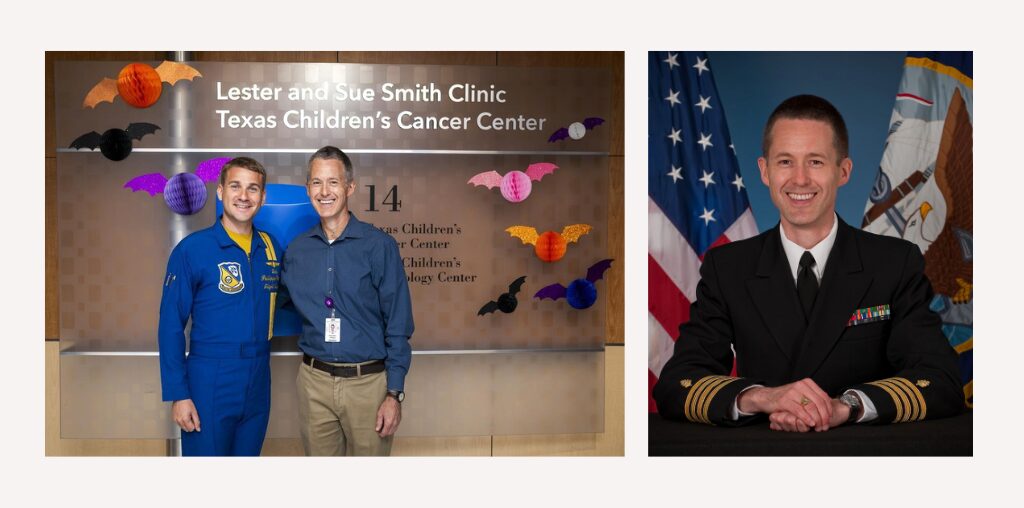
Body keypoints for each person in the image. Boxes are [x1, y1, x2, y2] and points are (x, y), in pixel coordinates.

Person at [653, 95, 964, 432]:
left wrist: (847, 406)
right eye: (785, 161)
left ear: (843, 171)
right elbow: (677, 384)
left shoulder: (893, 263)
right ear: (765, 171)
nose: (799, 179)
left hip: (861, 457)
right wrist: (762, 398)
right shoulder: (728, 268)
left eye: (815, 162)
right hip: (761, 457)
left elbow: (940, 380)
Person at [279, 146, 413, 455]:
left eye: (333, 182)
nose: (324, 192)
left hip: (368, 386)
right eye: (316, 182)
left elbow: (398, 322)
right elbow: (276, 302)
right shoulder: (297, 251)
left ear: (350, 187)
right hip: (314, 383)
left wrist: (394, 393)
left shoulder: (379, 246)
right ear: (307, 188)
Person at [158, 157, 282, 455]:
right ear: (220, 191)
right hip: (210, 376)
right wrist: (179, 394)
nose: (244, 196)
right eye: (235, 186)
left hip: (258, 376)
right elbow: (171, 324)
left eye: (253, 189)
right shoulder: (193, 249)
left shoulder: (270, 247)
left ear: (263, 197)